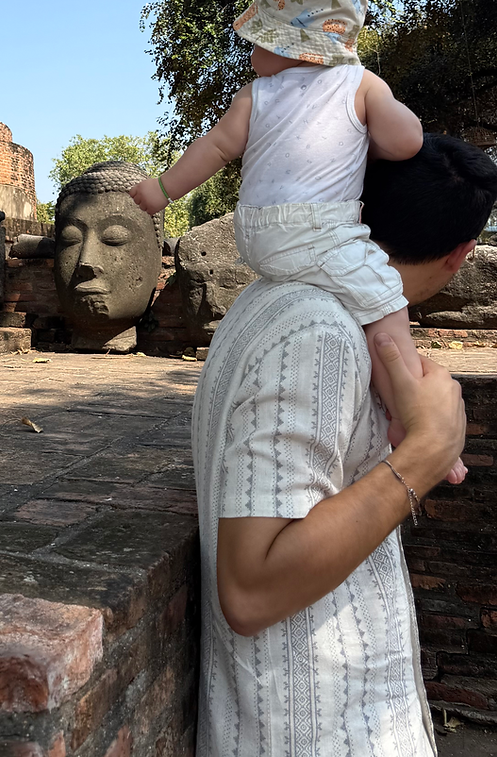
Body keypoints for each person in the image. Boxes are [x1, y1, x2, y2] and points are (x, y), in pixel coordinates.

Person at [191, 134, 497, 755]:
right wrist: (426, 454)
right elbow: (250, 589)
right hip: (313, 724)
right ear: (462, 254)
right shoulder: (320, 332)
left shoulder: (281, 300)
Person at [129, 0, 463, 480]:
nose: (252, 51)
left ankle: (396, 407)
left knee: (357, 295)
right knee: (384, 302)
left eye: (259, 41)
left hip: (257, 233)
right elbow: (407, 143)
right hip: (319, 228)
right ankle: (410, 419)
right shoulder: (362, 85)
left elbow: (215, 149)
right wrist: (370, 134)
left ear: (291, 46)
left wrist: (162, 189)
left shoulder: (255, 96)